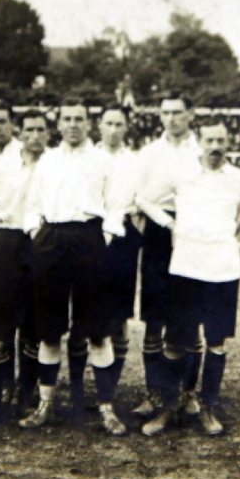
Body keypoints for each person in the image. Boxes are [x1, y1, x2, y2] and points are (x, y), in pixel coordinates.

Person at [140, 119, 240, 436]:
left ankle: (207, 407)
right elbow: (144, 198)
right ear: (199, 142)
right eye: (210, 140)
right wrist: (169, 224)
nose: (216, 146)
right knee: (175, 341)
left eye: (222, 140)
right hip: (186, 266)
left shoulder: (238, 178)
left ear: (229, 143)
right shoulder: (181, 172)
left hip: (223, 268)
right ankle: (168, 407)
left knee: (216, 341)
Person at [19, 97, 127, 436]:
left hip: (89, 240)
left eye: (79, 118)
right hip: (51, 240)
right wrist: (38, 234)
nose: (73, 124)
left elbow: (117, 205)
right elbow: (33, 205)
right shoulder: (47, 161)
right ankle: (45, 404)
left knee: (97, 329)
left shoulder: (102, 161)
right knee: (49, 330)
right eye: (67, 118)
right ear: (59, 122)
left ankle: (107, 408)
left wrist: (103, 238)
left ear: (89, 122)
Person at [0, 109, 49, 425]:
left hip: (42, 247)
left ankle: (25, 396)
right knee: (0, 330)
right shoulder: (1, 168)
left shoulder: (55, 167)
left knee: (33, 330)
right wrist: (5, 236)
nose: (34, 136)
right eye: (28, 129)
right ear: (19, 130)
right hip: (6, 246)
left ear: (47, 132)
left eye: (40, 130)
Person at [132, 92, 203, 416]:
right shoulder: (149, 153)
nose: (171, 118)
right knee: (153, 319)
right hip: (160, 234)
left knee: (191, 318)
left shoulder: (202, 150)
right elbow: (140, 198)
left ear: (190, 114)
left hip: (193, 231)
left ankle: (189, 392)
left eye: (177, 112)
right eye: (165, 113)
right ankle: (154, 393)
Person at [92, 102, 142, 398]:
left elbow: (143, 199)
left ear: (126, 127)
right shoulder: (89, 158)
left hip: (122, 240)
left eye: (118, 124)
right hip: (90, 237)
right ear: (99, 125)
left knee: (119, 314)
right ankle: (78, 387)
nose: (113, 130)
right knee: (90, 312)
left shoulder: (134, 161)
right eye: (108, 123)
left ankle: (109, 387)